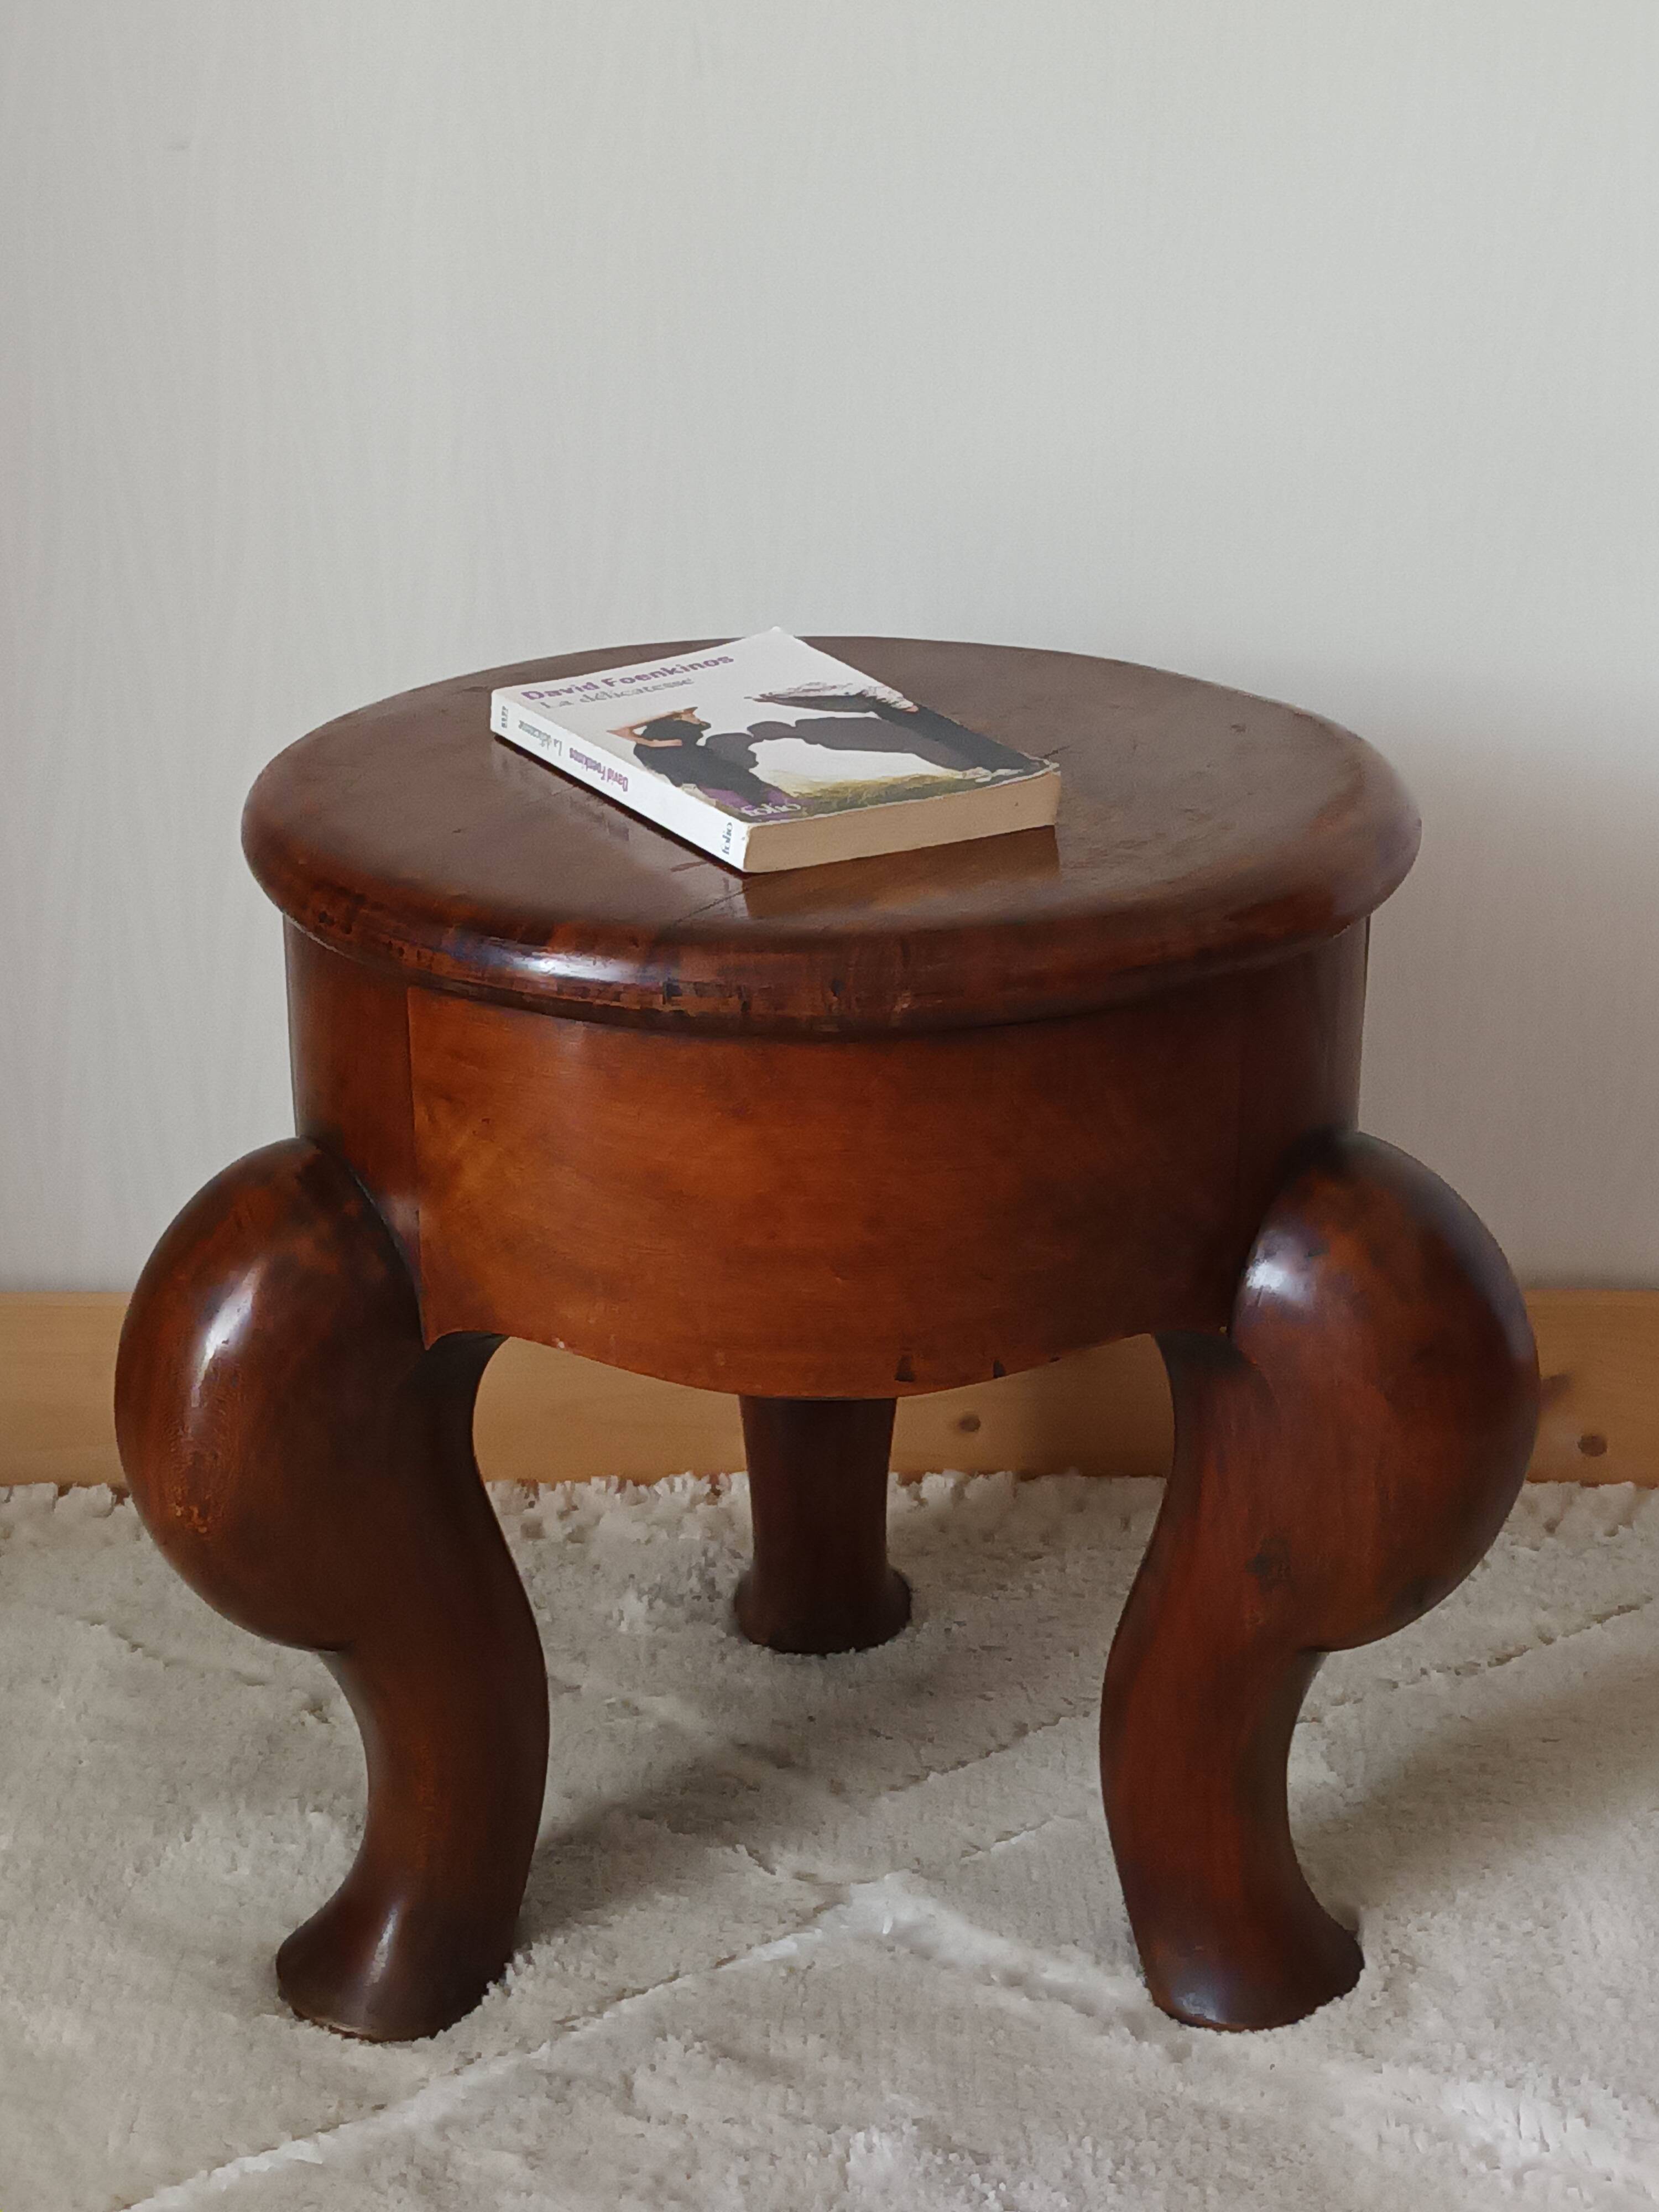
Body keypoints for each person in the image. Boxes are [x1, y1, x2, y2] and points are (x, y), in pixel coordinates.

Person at [721, 688, 1036, 778]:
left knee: (957, 743)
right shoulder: (813, 734)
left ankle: (1007, 765)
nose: (773, 736)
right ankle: (1001, 766)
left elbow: (860, 710)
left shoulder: (813, 729)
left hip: (904, 726)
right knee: (953, 746)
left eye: (769, 734)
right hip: (904, 732)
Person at [617, 709, 792, 812]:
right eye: (691, 715)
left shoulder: (685, 731)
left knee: (735, 776)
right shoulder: (663, 732)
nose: (695, 717)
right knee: (720, 780)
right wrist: (655, 741)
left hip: (696, 760)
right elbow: (623, 731)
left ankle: (772, 802)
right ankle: (752, 807)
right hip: (687, 763)